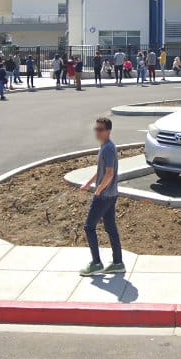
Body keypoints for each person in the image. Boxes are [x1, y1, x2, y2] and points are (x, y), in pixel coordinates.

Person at [78, 117, 124, 277]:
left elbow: (109, 174)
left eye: (100, 129)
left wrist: (98, 190)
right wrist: (89, 184)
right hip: (110, 195)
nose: (97, 132)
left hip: (104, 196)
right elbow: (101, 171)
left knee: (89, 227)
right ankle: (118, 263)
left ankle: (96, 263)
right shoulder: (105, 147)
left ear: (108, 131)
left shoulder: (108, 149)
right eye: (96, 129)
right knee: (111, 228)